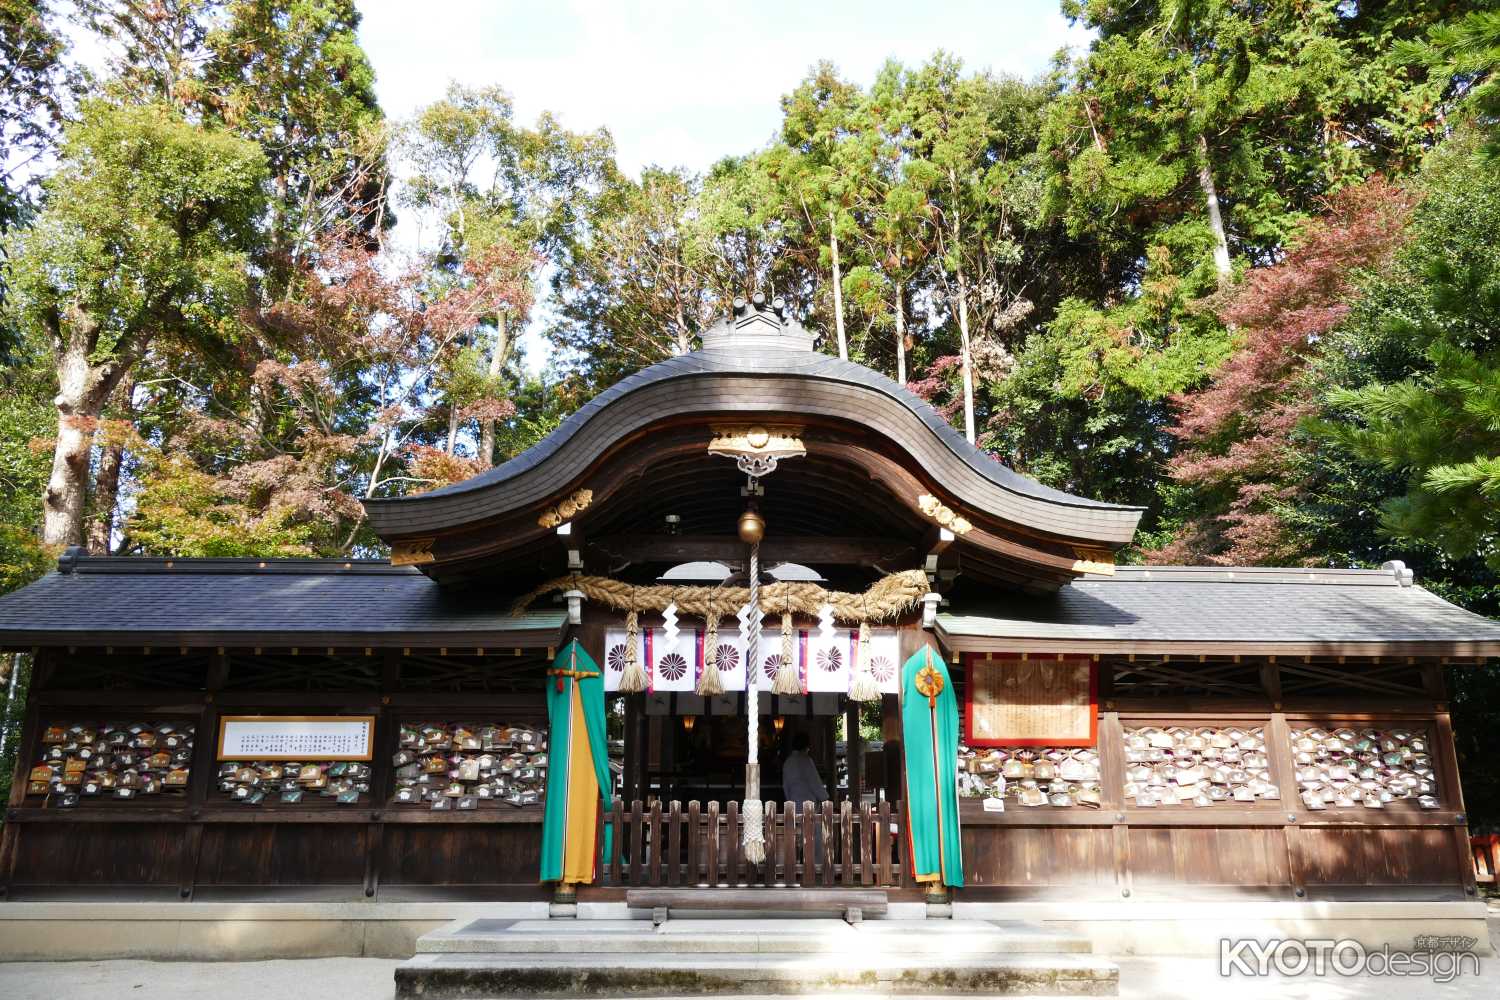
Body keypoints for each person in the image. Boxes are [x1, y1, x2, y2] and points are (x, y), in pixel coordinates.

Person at [782, 731, 828, 806]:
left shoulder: (787, 762)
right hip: (808, 803)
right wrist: (825, 799)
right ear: (806, 746)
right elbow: (815, 783)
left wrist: (789, 800)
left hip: (793, 802)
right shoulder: (806, 760)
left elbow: (785, 786)